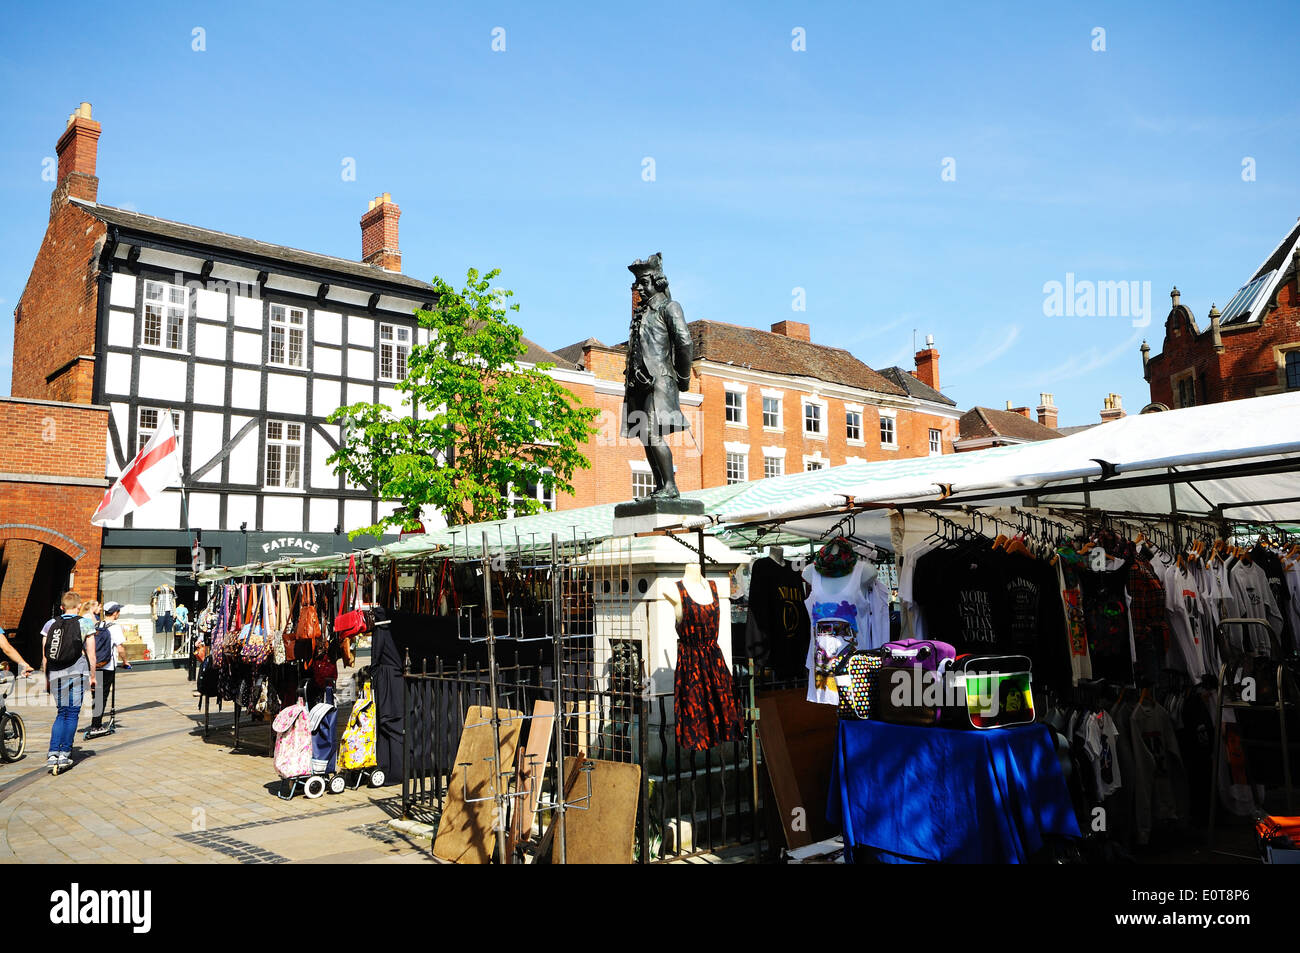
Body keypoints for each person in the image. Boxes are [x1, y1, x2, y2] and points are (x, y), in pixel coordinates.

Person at [41, 591, 96, 771]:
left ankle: (52, 753)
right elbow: (91, 655)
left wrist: (46, 678)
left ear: (62, 607)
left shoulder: (50, 624)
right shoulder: (86, 623)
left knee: (61, 713)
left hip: (56, 673)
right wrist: (93, 676)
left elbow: (45, 657)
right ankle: (65, 753)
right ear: (79, 606)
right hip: (77, 672)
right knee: (72, 714)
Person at [88, 603, 130, 736]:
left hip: (95, 664)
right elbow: (120, 648)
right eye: (118, 611)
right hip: (107, 666)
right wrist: (125, 661)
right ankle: (96, 725)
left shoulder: (97, 625)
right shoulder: (115, 628)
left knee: (97, 695)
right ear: (115, 613)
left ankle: (96, 721)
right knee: (102, 695)